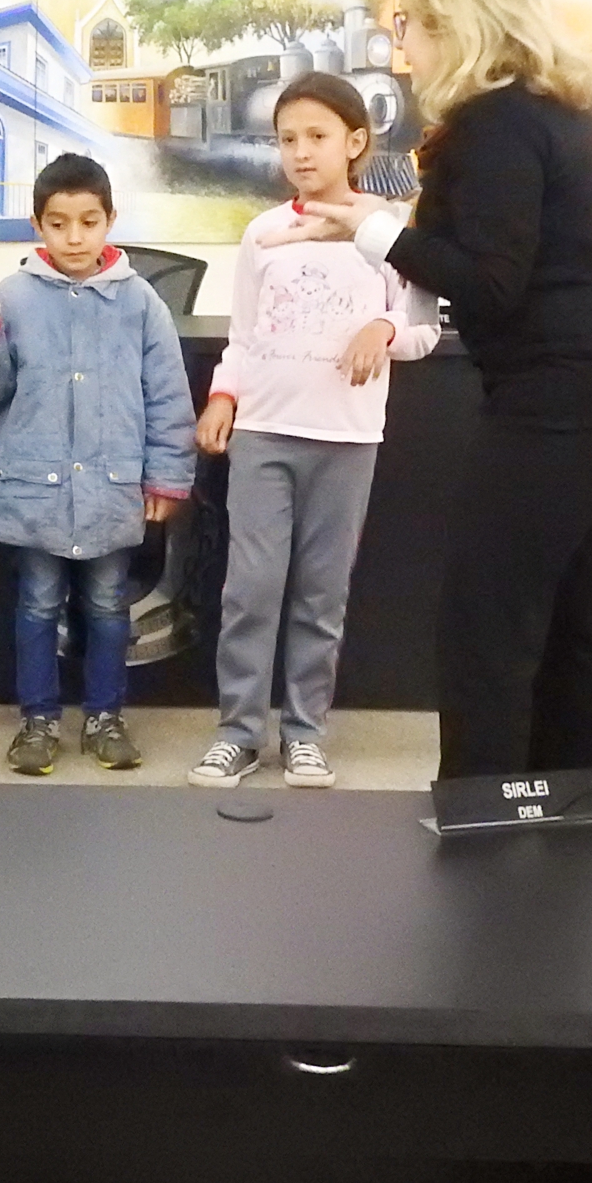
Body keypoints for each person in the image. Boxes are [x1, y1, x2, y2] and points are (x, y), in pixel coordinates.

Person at [289, 0, 592, 793]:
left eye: (409, 24)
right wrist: (380, 237)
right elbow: (488, 261)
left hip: (563, 395)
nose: (400, 45)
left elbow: (491, 285)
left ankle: (483, 813)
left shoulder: (495, 127)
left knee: (487, 616)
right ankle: (589, 804)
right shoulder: (540, 114)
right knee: (576, 611)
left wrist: (374, 231)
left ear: (456, 22)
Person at [188, 73, 439, 791]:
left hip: (347, 439)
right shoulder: (263, 234)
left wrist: (382, 327)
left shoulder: (390, 234)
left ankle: (304, 733)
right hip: (264, 434)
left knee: (321, 596)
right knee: (251, 590)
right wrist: (224, 395)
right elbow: (242, 336)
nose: (300, 152)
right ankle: (238, 733)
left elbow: (423, 328)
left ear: (355, 142)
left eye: (317, 136)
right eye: (287, 139)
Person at [0, 153, 196, 777]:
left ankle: (105, 716)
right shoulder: (12, 296)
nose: (75, 237)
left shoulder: (140, 302)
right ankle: (38, 721)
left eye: (89, 222)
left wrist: (169, 476)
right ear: (38, 225)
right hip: (37, 490)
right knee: (38, 604)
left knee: (110, 605)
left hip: (112, 489)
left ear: (110, 219)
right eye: (59, 224)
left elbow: (168, 395)